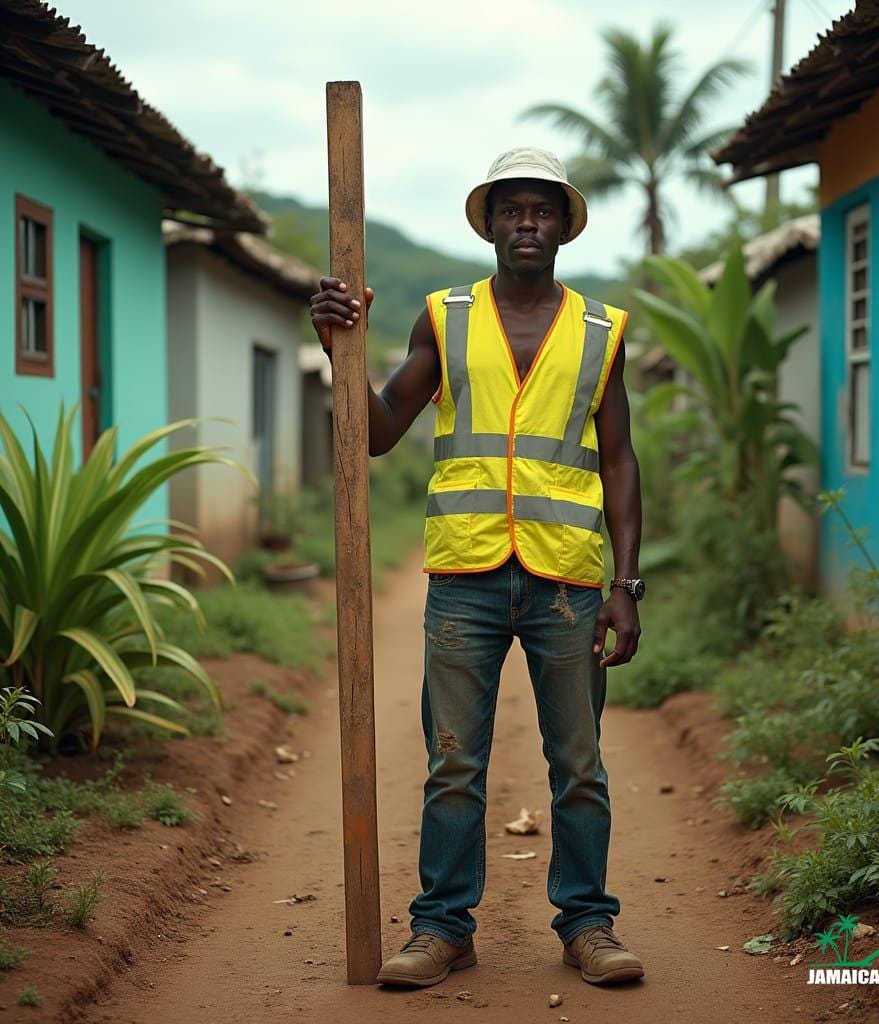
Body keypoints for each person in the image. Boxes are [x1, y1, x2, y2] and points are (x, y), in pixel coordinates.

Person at [310, 147, 645, 989]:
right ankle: (442, 929)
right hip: (465, 575)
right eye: (512, 210)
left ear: (564, 228)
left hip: (568, 579)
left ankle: (589, 926)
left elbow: (622, 461)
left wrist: (625, 587)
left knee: (579, 763)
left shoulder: (601, 332)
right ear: (490, 225)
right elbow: (381, 430)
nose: (527, 222)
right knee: (453, 759)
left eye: (542, 210)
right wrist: (336, 350)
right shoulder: (445, 318)